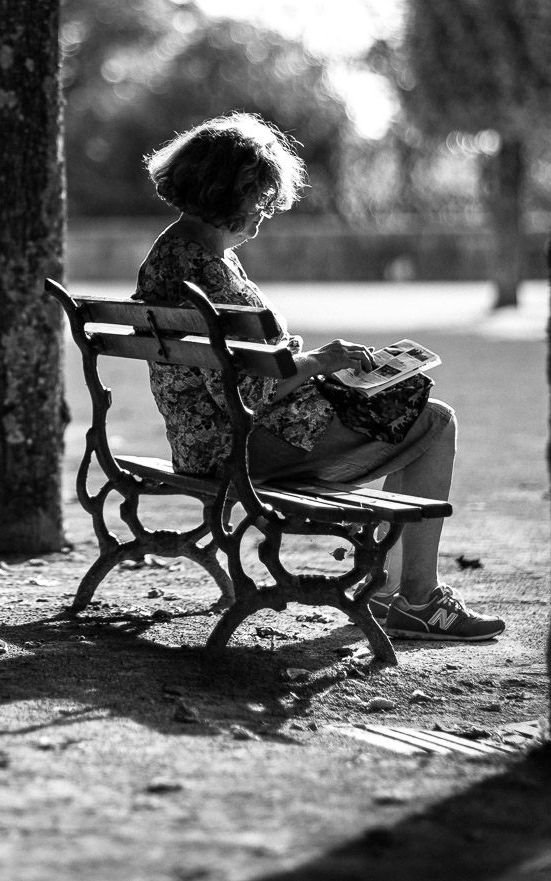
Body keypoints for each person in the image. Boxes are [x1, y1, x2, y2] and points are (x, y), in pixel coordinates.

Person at [133, 112, 504, 642]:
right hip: (241, 445)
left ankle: (389, 588)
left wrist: (315, 369)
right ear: (230, 193)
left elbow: (239, 375)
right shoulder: (207, 272)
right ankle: (417, 598)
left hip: (203, 443)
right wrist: (324, 361)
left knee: (405, 410)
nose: (264, 216)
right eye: (260, 201)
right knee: (434, 423)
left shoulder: (173, 253)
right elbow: (249, 392)